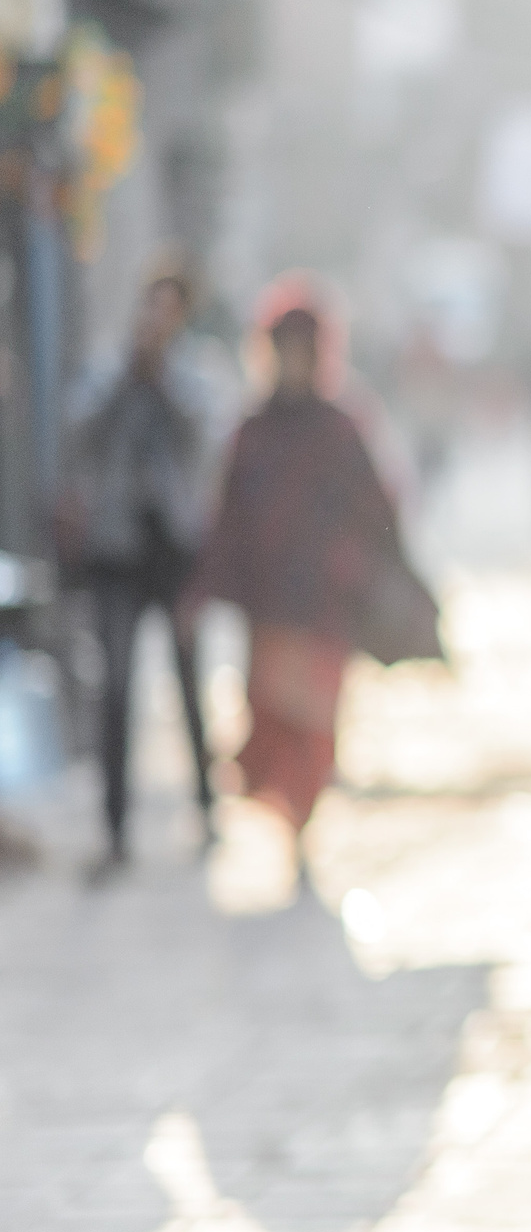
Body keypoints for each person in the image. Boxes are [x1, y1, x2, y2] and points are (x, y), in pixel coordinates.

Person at [187, 292, 436, 872]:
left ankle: (304, 827)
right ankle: (287, 822)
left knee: (315, 727)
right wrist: (203, 588)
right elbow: (227, 518)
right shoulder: (253, 430)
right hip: (270, 604)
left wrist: (388, 576)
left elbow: (378, 509)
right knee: (271, 721)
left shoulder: (341, 428)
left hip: (324, 602)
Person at [56, 265, 223, 871]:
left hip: (173, 551)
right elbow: (77, 431)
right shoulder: (108, 372)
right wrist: (130, 376)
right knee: (117, 688)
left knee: (189, 684)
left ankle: (207, 810)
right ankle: (115, 829)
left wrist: (160, 381)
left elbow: (203, 441)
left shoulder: (195, 376)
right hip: (117, 550)